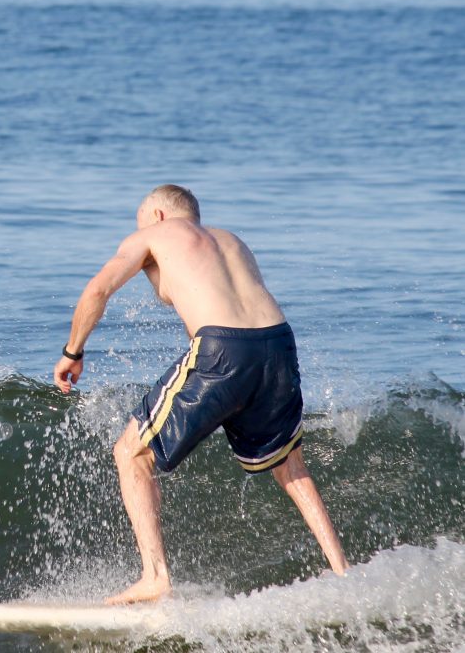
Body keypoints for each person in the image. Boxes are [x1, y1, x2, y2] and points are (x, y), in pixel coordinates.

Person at [53, 184, 349, 605]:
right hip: (278, 343)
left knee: (130, 453)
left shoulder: (151, 235)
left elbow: (97, 291)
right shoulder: (232, 240)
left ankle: (155, 576)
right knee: (289, 462)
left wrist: (72, 352)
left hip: (224, 347)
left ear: (157, 216)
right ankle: (341, 570)